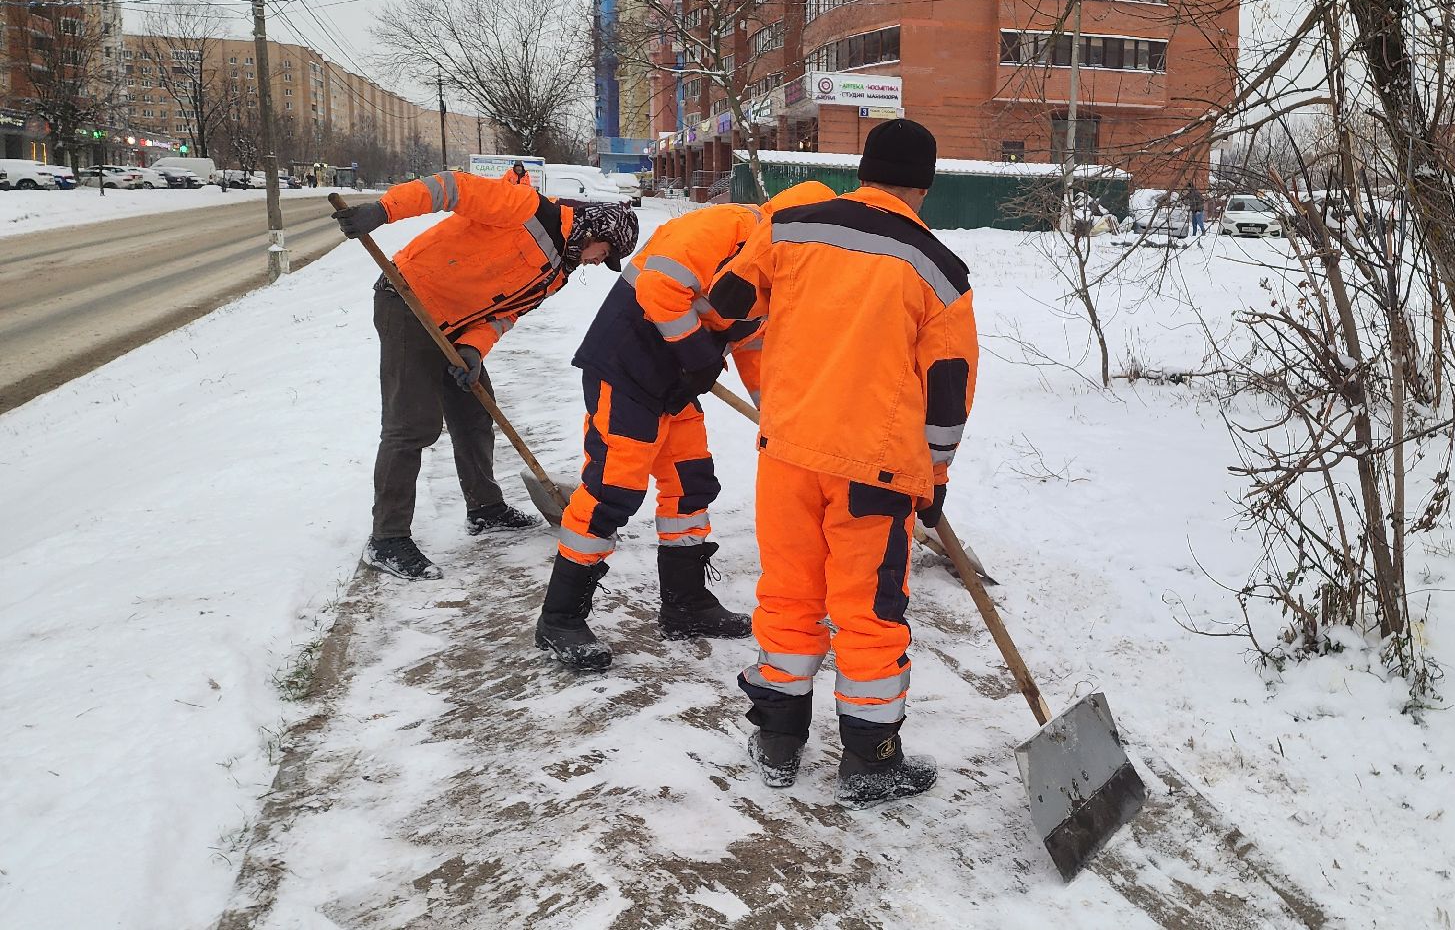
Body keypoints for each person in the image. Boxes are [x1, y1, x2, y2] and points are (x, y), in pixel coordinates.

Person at [709, 120, 978, 809]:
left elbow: (727, 302)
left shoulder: (790, 227)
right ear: (923, 184)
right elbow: (947, 395)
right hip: (875, 474)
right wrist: (936, 480)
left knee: (790, 595)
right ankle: (870, 760)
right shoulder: (940, 272)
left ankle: (775, 739)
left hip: (789, 455)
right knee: (867, 615)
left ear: (863, 169)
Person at [534, 180, 837, 671]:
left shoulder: (786, 270)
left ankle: (685, 604)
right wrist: (697, 355)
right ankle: (560, 617)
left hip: (675, 388)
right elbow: (660, 286)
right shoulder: (724, 227)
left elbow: (756, 345)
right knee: (613, 490)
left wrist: (778, 414)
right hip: (627, 371)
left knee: (691, 485)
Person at [331, 171, 639, 581]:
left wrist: (474, 348)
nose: (600, 262)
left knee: (476, 415)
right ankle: (387, 538)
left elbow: (506, 314)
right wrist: (385, 210)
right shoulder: (526, 209)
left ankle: (484, 508)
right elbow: (451, 188)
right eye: (606, 252)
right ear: (595, 230)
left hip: (458, 327)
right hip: (409, 301)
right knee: (412, 426)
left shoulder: (558, 272)